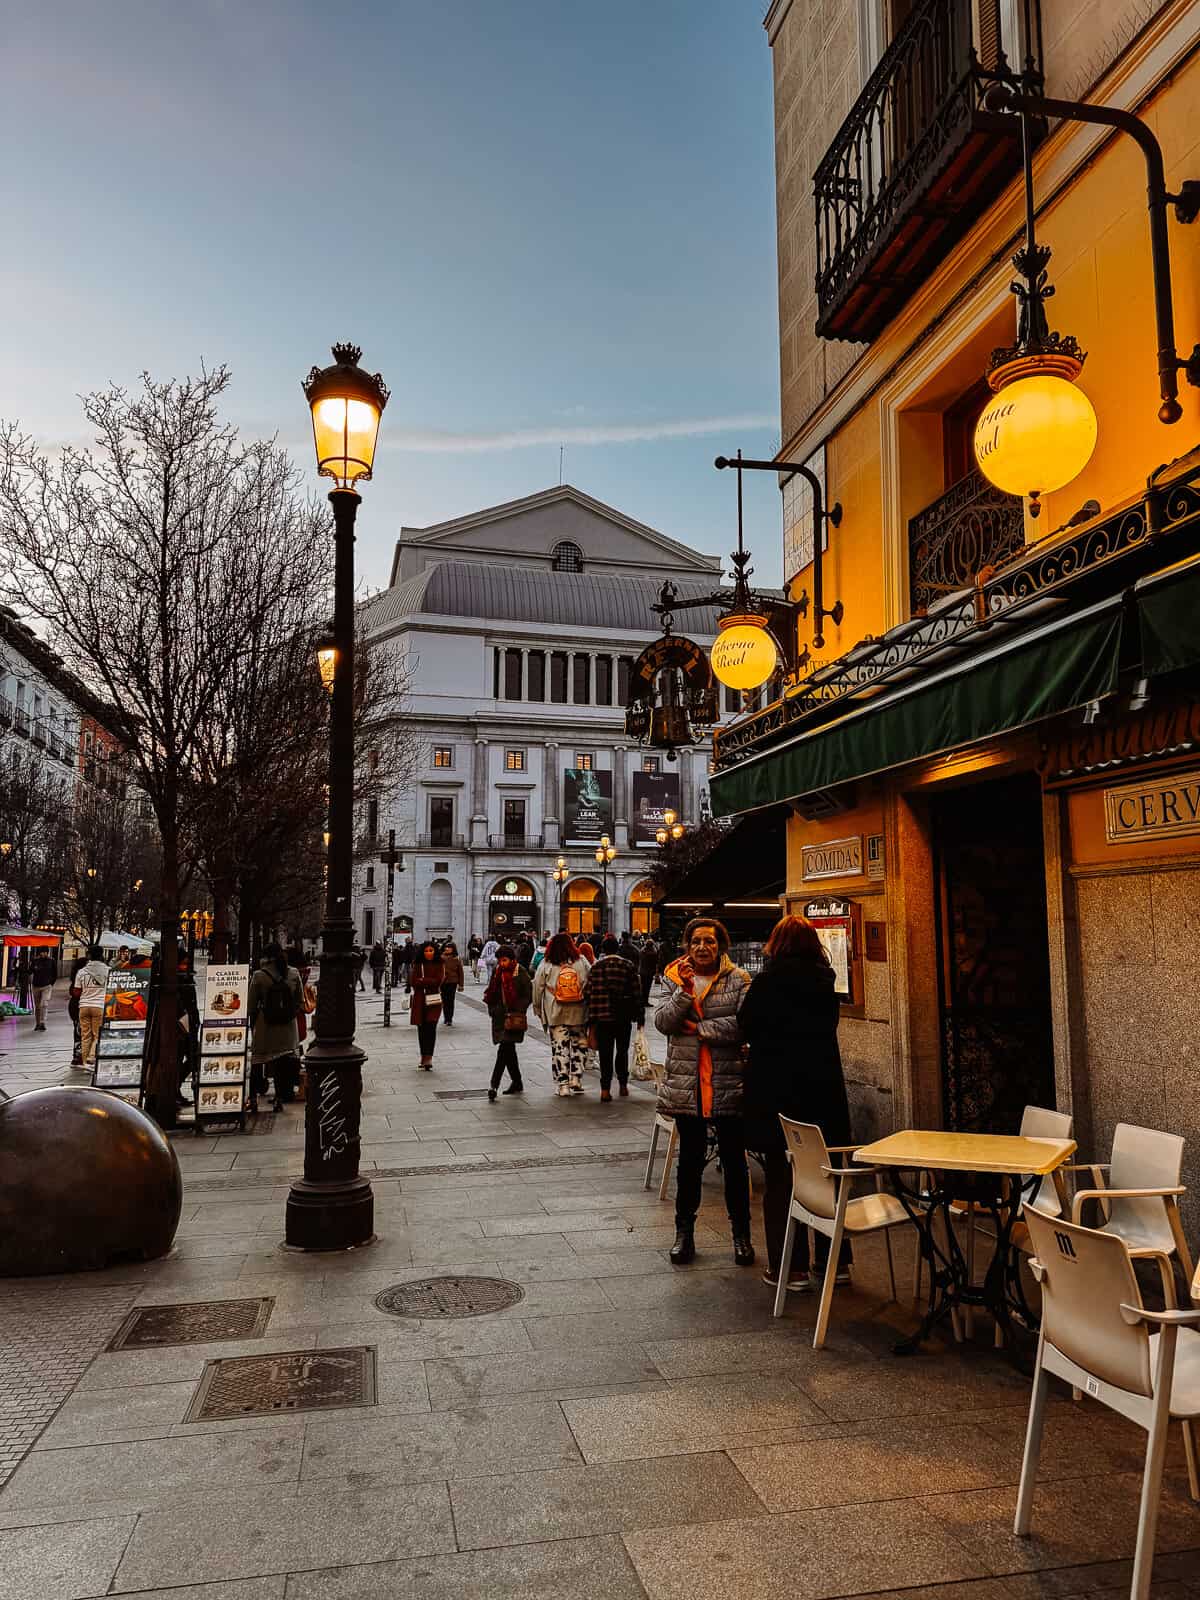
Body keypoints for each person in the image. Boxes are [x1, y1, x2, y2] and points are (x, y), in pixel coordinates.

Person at [739, 914, 853, 1293]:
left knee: (781, 1178)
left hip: (779, 1089)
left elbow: (746, 1023)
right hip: (822, 1088)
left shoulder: (768, 981)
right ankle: (834, 1263)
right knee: (827, 1173)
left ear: (777, 943)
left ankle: (791, 1268)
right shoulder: (826, 980)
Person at [656, 917, 753, 1267]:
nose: (702, 947)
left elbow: (744, 1025)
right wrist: (684, 993)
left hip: (727, 1083)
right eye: (696, 941)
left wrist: (701, 1029)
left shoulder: (739, 980)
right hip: (688, 1085)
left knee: (734, 1163)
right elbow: (663, 1022)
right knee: (690, 1163)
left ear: (720, 945)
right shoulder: (673, 978)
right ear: (687, 945)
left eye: (709, 941)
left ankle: (741, 1235)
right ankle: (684, 1234)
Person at [584, 934, 644, 1101]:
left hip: (602, 1017)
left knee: (605, 1053)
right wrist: (640, 1017)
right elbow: (636, 993)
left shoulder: (596, 967)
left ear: (603, 949)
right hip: (622, 1016)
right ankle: (623, 1085)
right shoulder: (628, 965)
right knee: (622, 1051)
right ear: (617, 949)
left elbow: (587, 992)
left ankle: (605, 1089)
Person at [532, 932, 592, 1097]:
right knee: (579, 1043)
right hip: (578, 1009)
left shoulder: (547, 962)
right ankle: (576, 1079)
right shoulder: (581, 961)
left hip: (555, 1010)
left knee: (560, 1047)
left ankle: (563, 1084)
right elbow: (590, 980)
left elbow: (538, 986)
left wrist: (537, 1008)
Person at [248, 943, 303, 1113]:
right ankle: (280, 1098)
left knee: (258, 1062)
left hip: (266, 1027)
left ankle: (253, 1099)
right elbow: (299, 1001)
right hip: (288, 1029)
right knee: (282, 1065)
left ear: (266, 958)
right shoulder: (293, 973)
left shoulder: (259, 976)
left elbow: (250, 1006)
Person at [483, 944, 531, 1100]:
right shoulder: (497, 973)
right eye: (500, 960)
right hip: (499, 1017)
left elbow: (527, 995)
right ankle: (517, 1082)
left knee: (503, 1050)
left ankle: (493, 1085)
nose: (502, 963)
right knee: (509, 1051)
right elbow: (491, 992)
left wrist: (518, 1008)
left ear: (512, 959)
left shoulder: (520, 972)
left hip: (513, 1017)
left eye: (504, 960)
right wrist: (493, 1009)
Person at [409, 940, 445, 1069]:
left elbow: (438, 981)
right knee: (421, 1029)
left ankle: (429, 1057)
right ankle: (423, 1056)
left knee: (431, 1027)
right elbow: (413, 981)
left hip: (433, 1000)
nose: (428, 953)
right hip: (419, 1000)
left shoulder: (439, 964)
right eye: (426, 951)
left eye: (431, 951)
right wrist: (428, 981)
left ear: (435, 952)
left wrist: (423, 980)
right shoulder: (418, 964)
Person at [73, 944, 109, 1069]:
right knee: (97, 1034)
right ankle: (92, 1058)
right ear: (102, 955)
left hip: (83, 1006)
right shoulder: (108, 970)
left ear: (89, 956)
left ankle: (84, 1062)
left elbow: (76, 992)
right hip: (99, 1006)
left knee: (85, 1035)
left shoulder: (81, 972)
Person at [29, 948, 56, 1032]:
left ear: (47, 953)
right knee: (37, 1006)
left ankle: (42, 1022)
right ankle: (37, 1024)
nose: (43, 954)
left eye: (45, 952)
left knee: (44, 1004)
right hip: (36, 985)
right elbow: (30, 971)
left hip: (47, 986)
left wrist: (51, 984)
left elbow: (55, 973)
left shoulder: (51, 961)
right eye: (42, 952)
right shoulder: (35, 961)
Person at [439, 940, 465, 1026]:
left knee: (450, 1000)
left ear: (453, 949)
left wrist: (461, 984)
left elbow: (460, 972)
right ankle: (446, 1017)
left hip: (452, 982)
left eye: (449, 947)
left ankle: (449, 1018)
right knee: (444, 1000)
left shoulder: (456, 958)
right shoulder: (441, 957)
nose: (447, 949)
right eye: (446, 947)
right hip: (443, 982)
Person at [638, 936, 659, 1010]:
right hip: (649, 972)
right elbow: (656, 962)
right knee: (647, 987)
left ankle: (642, 1001)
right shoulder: (653, 953)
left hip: (642, 971)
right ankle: (645, 1001)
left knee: (643, 987)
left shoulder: (642, 951)